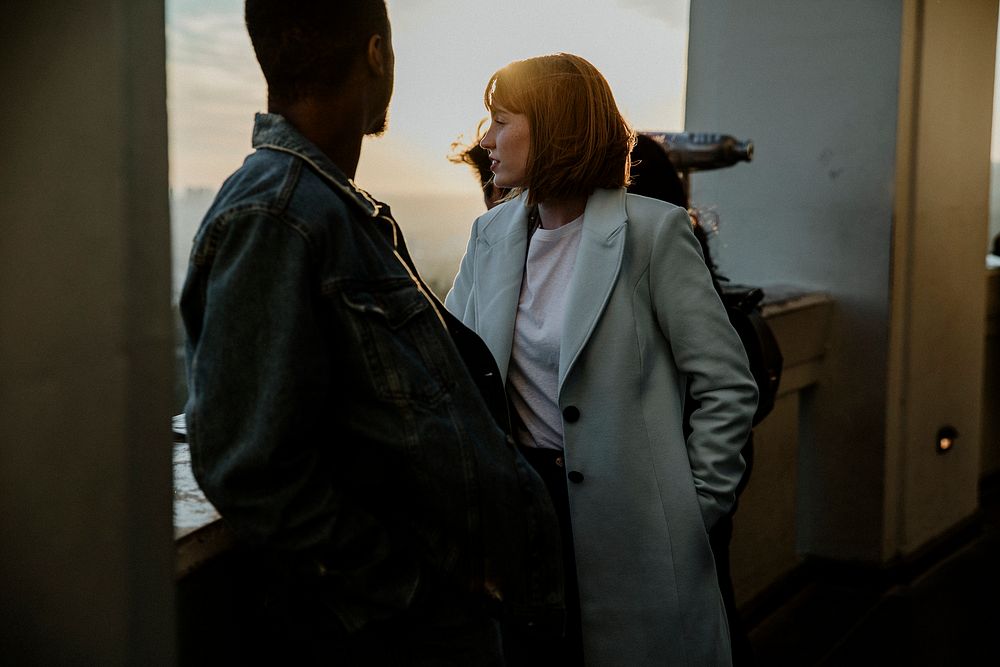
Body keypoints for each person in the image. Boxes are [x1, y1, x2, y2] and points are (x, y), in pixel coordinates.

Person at [180, 3, 564, 664]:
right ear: (376, 55)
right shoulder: (276, 214)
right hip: (392, 636)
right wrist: (410, 591)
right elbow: (248, 469)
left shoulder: (330, 206)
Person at [445, 53, 759, 666]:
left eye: (502, 121)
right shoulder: (490, 237)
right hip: (524, 514)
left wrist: (696, 508)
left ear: (557, 127)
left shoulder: (655, 233)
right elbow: (452, 369)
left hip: (638, 521)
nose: (486, 139)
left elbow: (726, 384)